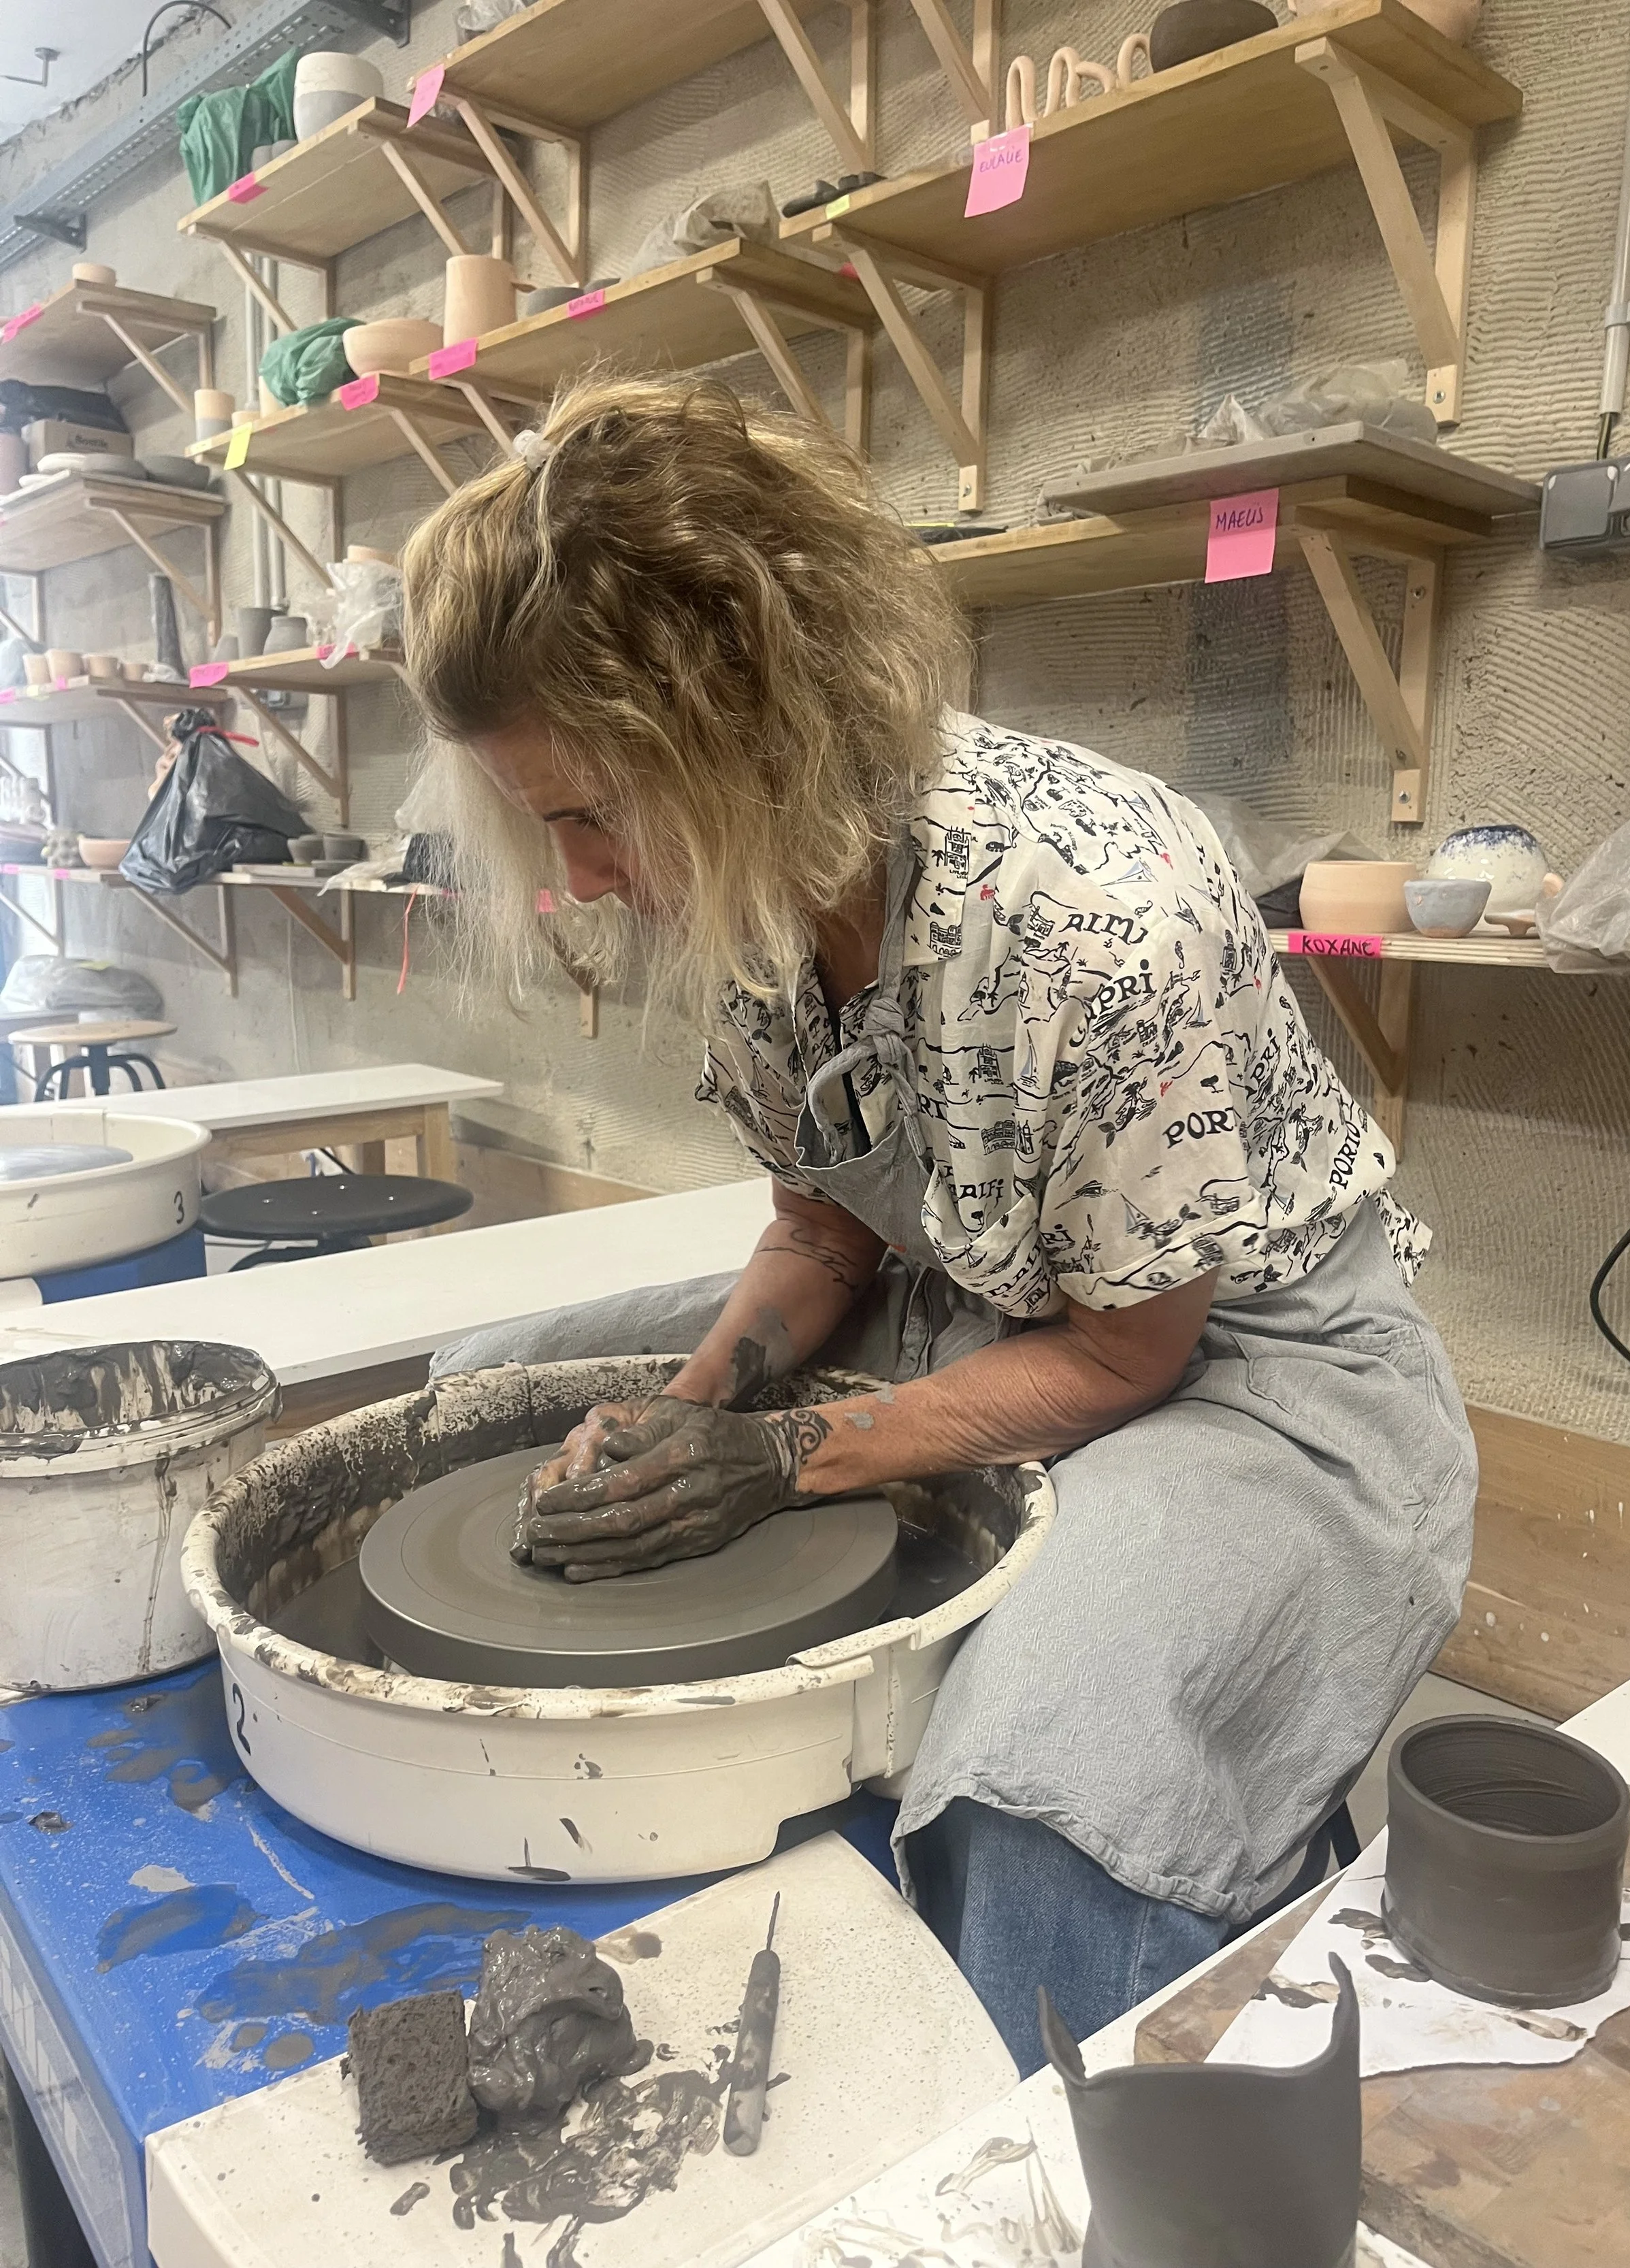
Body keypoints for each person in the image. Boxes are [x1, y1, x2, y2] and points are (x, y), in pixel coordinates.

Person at [402, 374, 1476, 2075]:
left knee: (1040, 1764)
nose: (583, 878)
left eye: (590, 814)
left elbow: (1135, 1345)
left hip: (1251, 1382)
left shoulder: (1105, 904)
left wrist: (786, 1461)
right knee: (479, 1389)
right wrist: (693, 1418)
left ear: (738, 732)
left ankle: (1057, 2137)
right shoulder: (752, 887)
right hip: (964, 1301)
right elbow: (824, 1233)